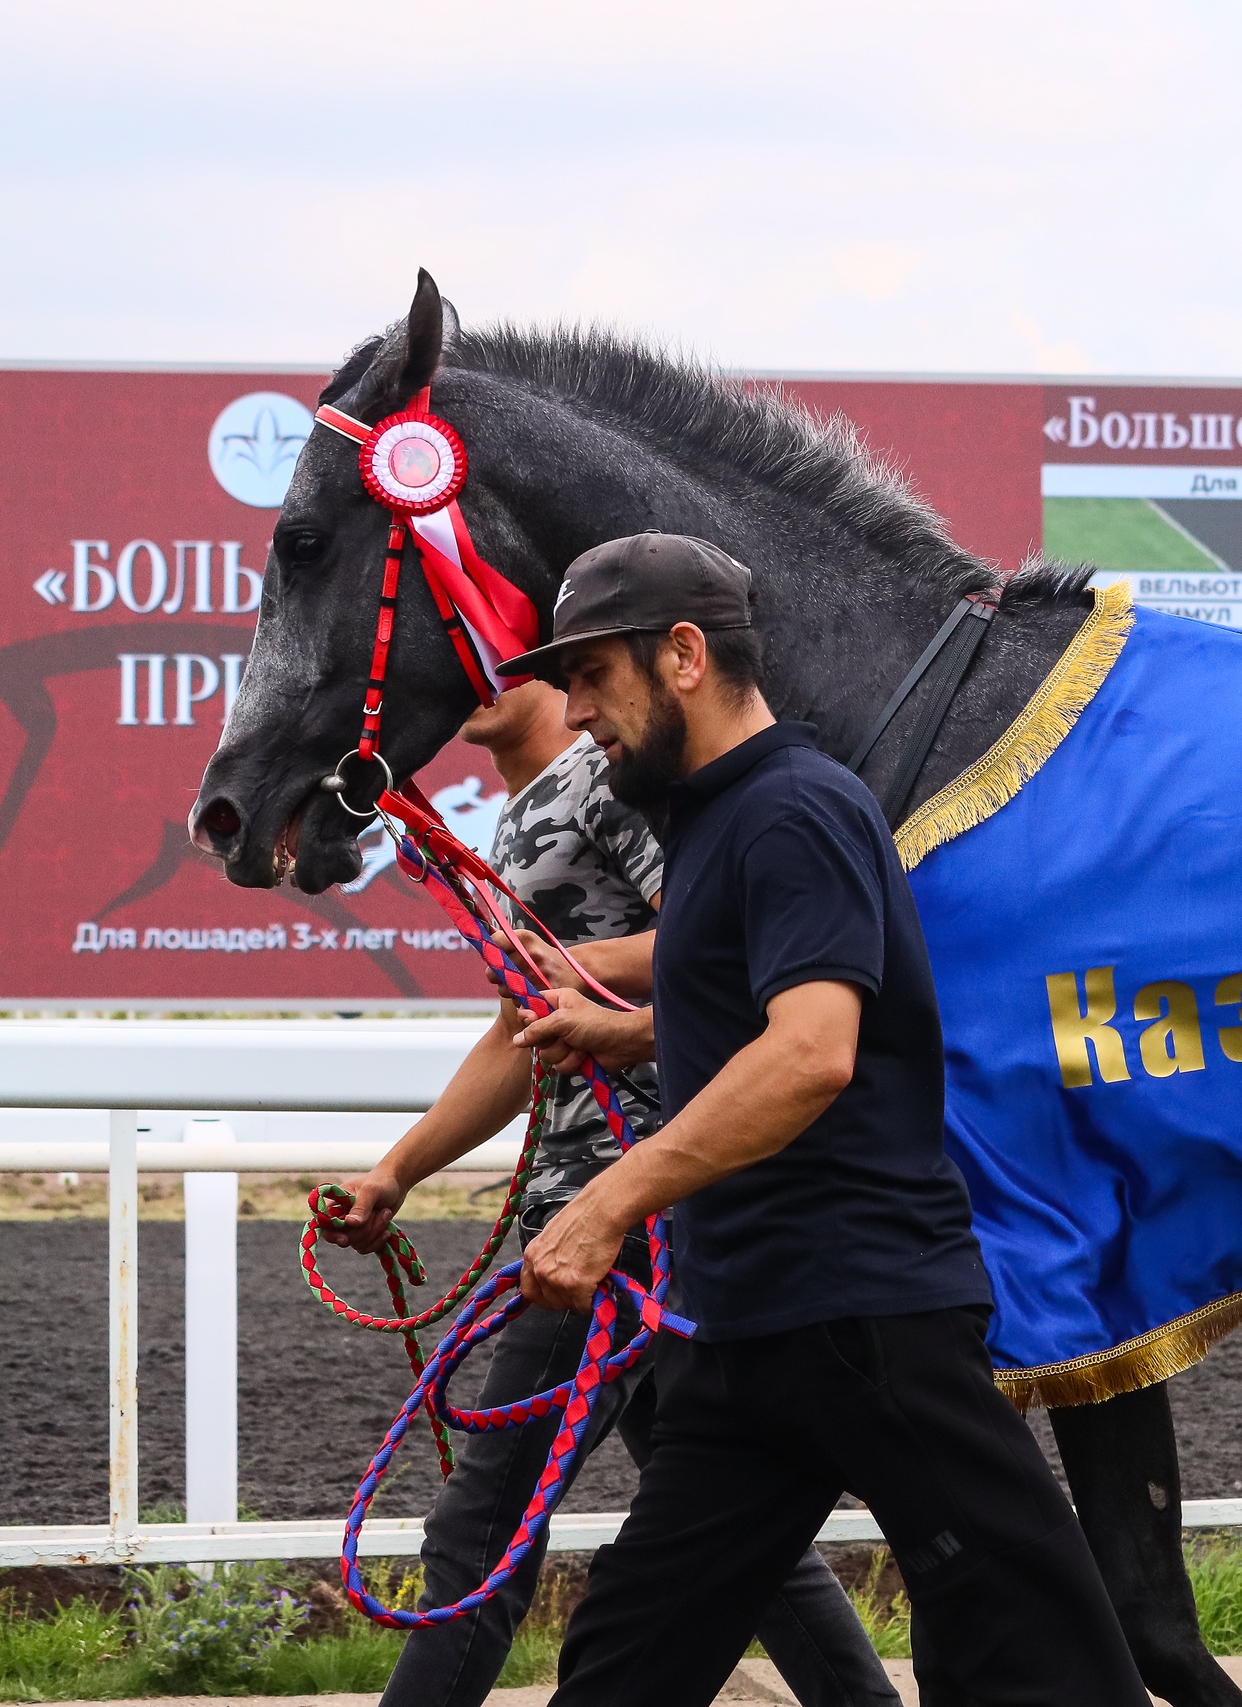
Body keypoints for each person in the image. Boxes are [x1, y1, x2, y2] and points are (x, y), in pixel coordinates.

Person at [501, 533, 1148, 1707]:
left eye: (594, 672)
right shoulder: (717, 819)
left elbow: (810, 1053)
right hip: (748, 1327)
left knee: (1046, 1662)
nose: (573, 705)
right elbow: (775, 1004)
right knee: (624, 1666)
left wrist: (609, 1200)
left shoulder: (793, 810)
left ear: (684, 654)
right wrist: (631, 1032)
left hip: (866, 1321)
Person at [317, 676, 900, 1707]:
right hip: (613, 1213)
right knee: (723, 1511)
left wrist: (581, 978)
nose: (482, 686)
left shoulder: (604, 782)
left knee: (481, 1530)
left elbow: (713, 946)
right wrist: (398, 1171)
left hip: (625, 1214)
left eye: (521, 665)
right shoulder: (527, 807)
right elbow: (522, 1034)